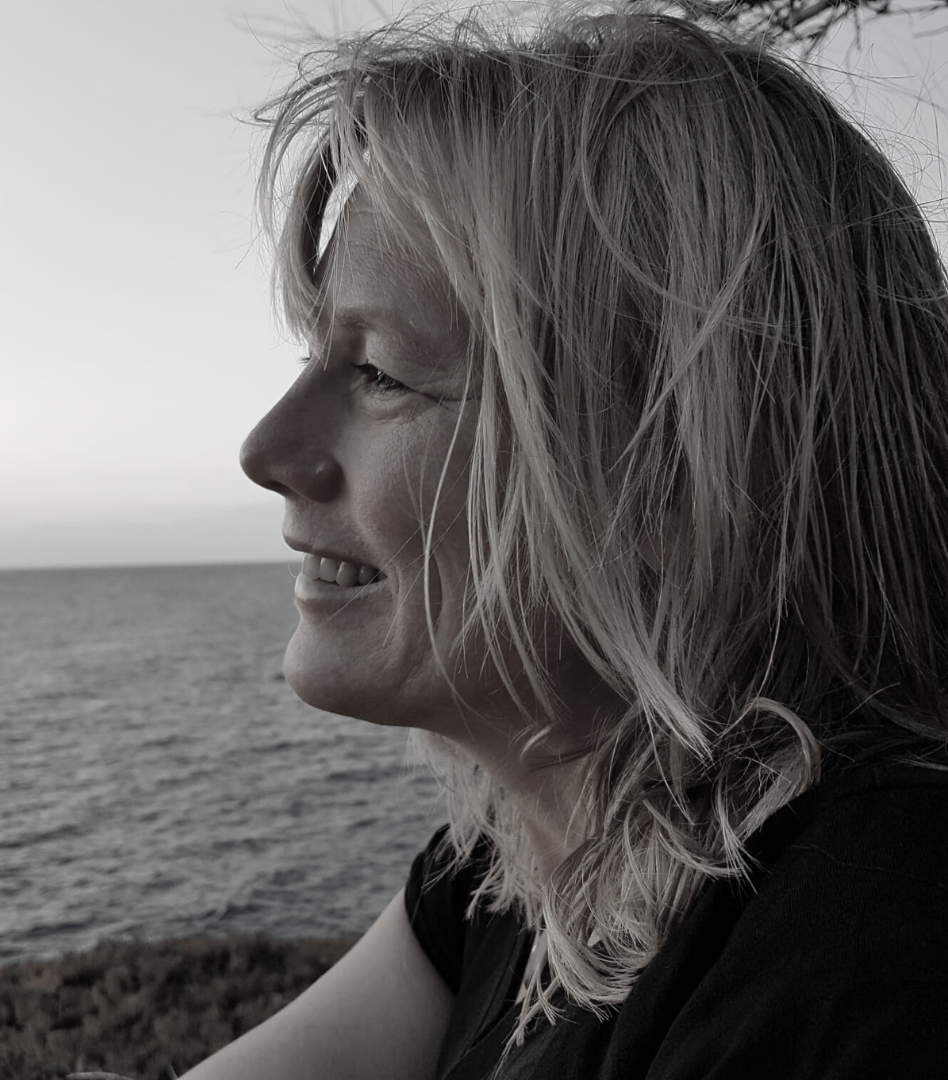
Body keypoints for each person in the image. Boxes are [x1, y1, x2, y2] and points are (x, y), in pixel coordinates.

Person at [180, 5, 948, 1077]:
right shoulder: (509, 869)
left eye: (382, 373)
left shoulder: (866, 954)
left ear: (675, 465)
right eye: (320, 354)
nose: (269, 448)